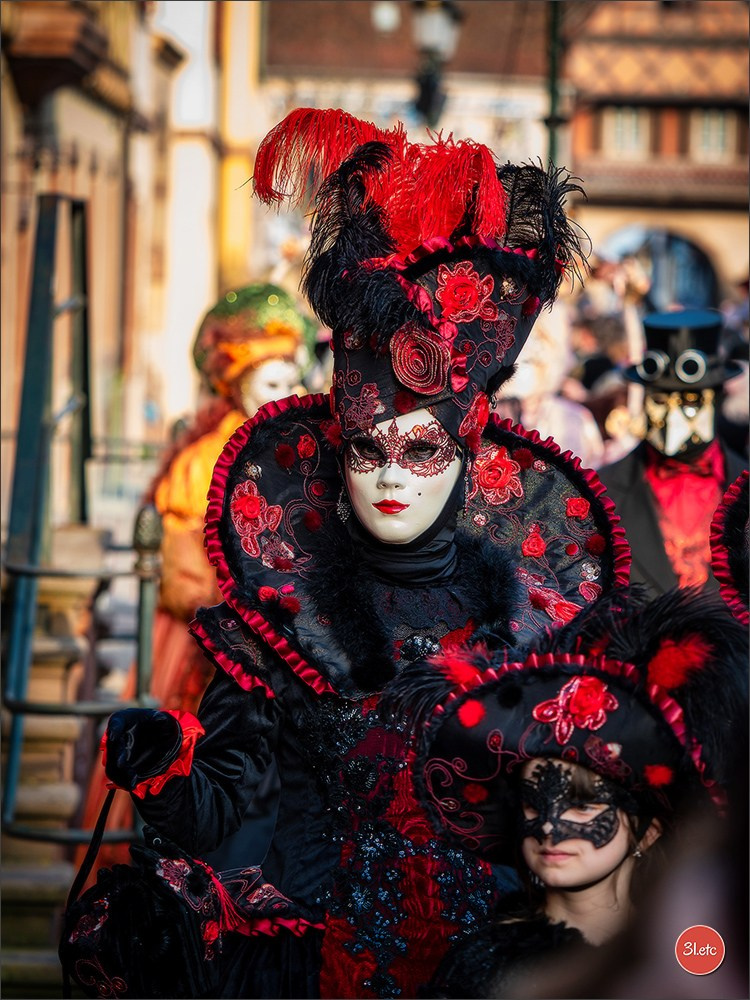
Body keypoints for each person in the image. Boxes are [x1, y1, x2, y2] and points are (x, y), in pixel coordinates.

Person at [78, 107, 634, 1000]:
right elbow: (223, 808)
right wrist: (162, 766)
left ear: (466, 460)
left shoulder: (538, 617)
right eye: (368, 452)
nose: (391, 479)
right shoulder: (284, 622)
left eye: (420, 453)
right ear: (336, 461)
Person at [385, 586, 747, 998]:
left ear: (649, 829)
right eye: (532, 802)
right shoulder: (484, 966)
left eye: (582, 803)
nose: (549, 829)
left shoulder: (691, 949)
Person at [76, 283, 308, 874]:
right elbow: (185, 562)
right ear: (238, 384)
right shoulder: (211, 454)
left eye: (293, 380)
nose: (290, 394)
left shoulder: (299, 446)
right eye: (272, 384)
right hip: (212, 640)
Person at [597, 308, 747, 595]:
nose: (673, 415)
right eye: (660, 399)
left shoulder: (745, 488)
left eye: (690, 400)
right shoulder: (602, 495)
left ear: (715, 400)